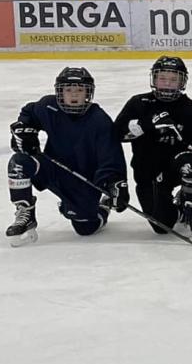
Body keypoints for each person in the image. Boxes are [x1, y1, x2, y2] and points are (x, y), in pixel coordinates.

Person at [7, 67, 127, 245]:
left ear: (88, 93)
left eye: (79, 90)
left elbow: (110, 158)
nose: (73, 95)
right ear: (59, 92)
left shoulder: (99, 120)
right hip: (51, 168)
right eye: (68, 90)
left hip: (82, 180)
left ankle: (103, 206)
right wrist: (24, 129)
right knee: (19, 163)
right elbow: (29, 113)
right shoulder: (48, 106)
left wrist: (114, 184)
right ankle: (25, 213)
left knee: (85, 229)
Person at [113, 56, 192, 238]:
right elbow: (117, 134)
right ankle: (180, 207)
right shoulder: (138, 104)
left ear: (182, 82)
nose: (167, 84)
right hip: (148, 173)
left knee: (190, 163)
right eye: (163, 78)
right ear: (154, 79)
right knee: (162, 226)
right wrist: (147, 125)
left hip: (178, 167)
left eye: (173, 79)